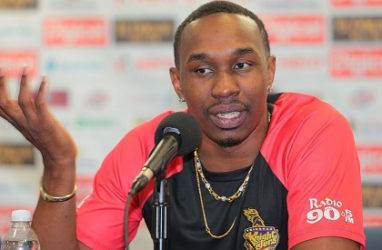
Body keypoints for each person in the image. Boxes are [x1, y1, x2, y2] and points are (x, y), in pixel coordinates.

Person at [0, 1, 365, 249]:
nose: (225, 88)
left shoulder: (311, 130)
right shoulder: (153, 147)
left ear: (269, 71)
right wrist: (59, 163)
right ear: (178, 83)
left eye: (242, 65)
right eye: (202, 70)